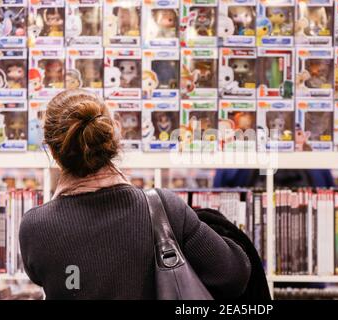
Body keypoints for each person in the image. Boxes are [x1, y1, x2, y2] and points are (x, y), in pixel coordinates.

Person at [19, 90, 251, 300]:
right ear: (112, 137)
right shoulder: (164, 209)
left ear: (52, 151)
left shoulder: (35, 227)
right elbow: (233, 274)